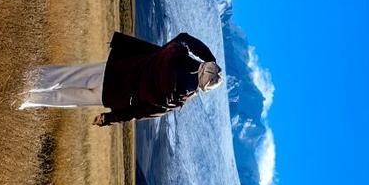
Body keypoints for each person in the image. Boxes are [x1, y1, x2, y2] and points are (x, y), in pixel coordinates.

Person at [19, 30, 223, 125]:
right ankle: (23, 100)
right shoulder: (174, 102)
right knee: (61, 99)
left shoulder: (172, 55)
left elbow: (185, 38)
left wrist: (210, 58)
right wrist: (108, 118)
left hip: (114, 72)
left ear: (201, 66)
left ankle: (23, 79)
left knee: (62, 76)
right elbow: (139, 113)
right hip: (112, 97)